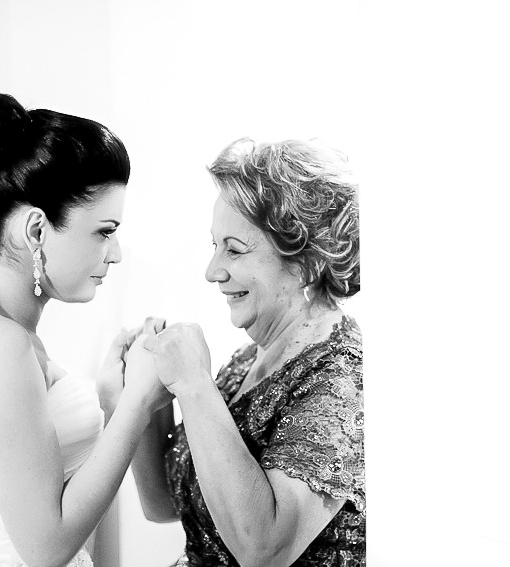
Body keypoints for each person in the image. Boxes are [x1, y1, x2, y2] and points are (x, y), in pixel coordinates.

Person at [0, 93, 167, 567]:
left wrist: (113, 401)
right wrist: (137, 403)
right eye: (104, 231)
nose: (115, 253)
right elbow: (47, 547)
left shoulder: (4, 333)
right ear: (36, 230)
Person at [128, 138, 364, 566]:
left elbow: (264, 550)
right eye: (214, 246)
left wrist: (194, 384)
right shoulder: (244, 362)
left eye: (234, 250)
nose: (212, 271)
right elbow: (163, 504)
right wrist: (135, 398)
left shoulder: (344, 378)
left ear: (307, 263)